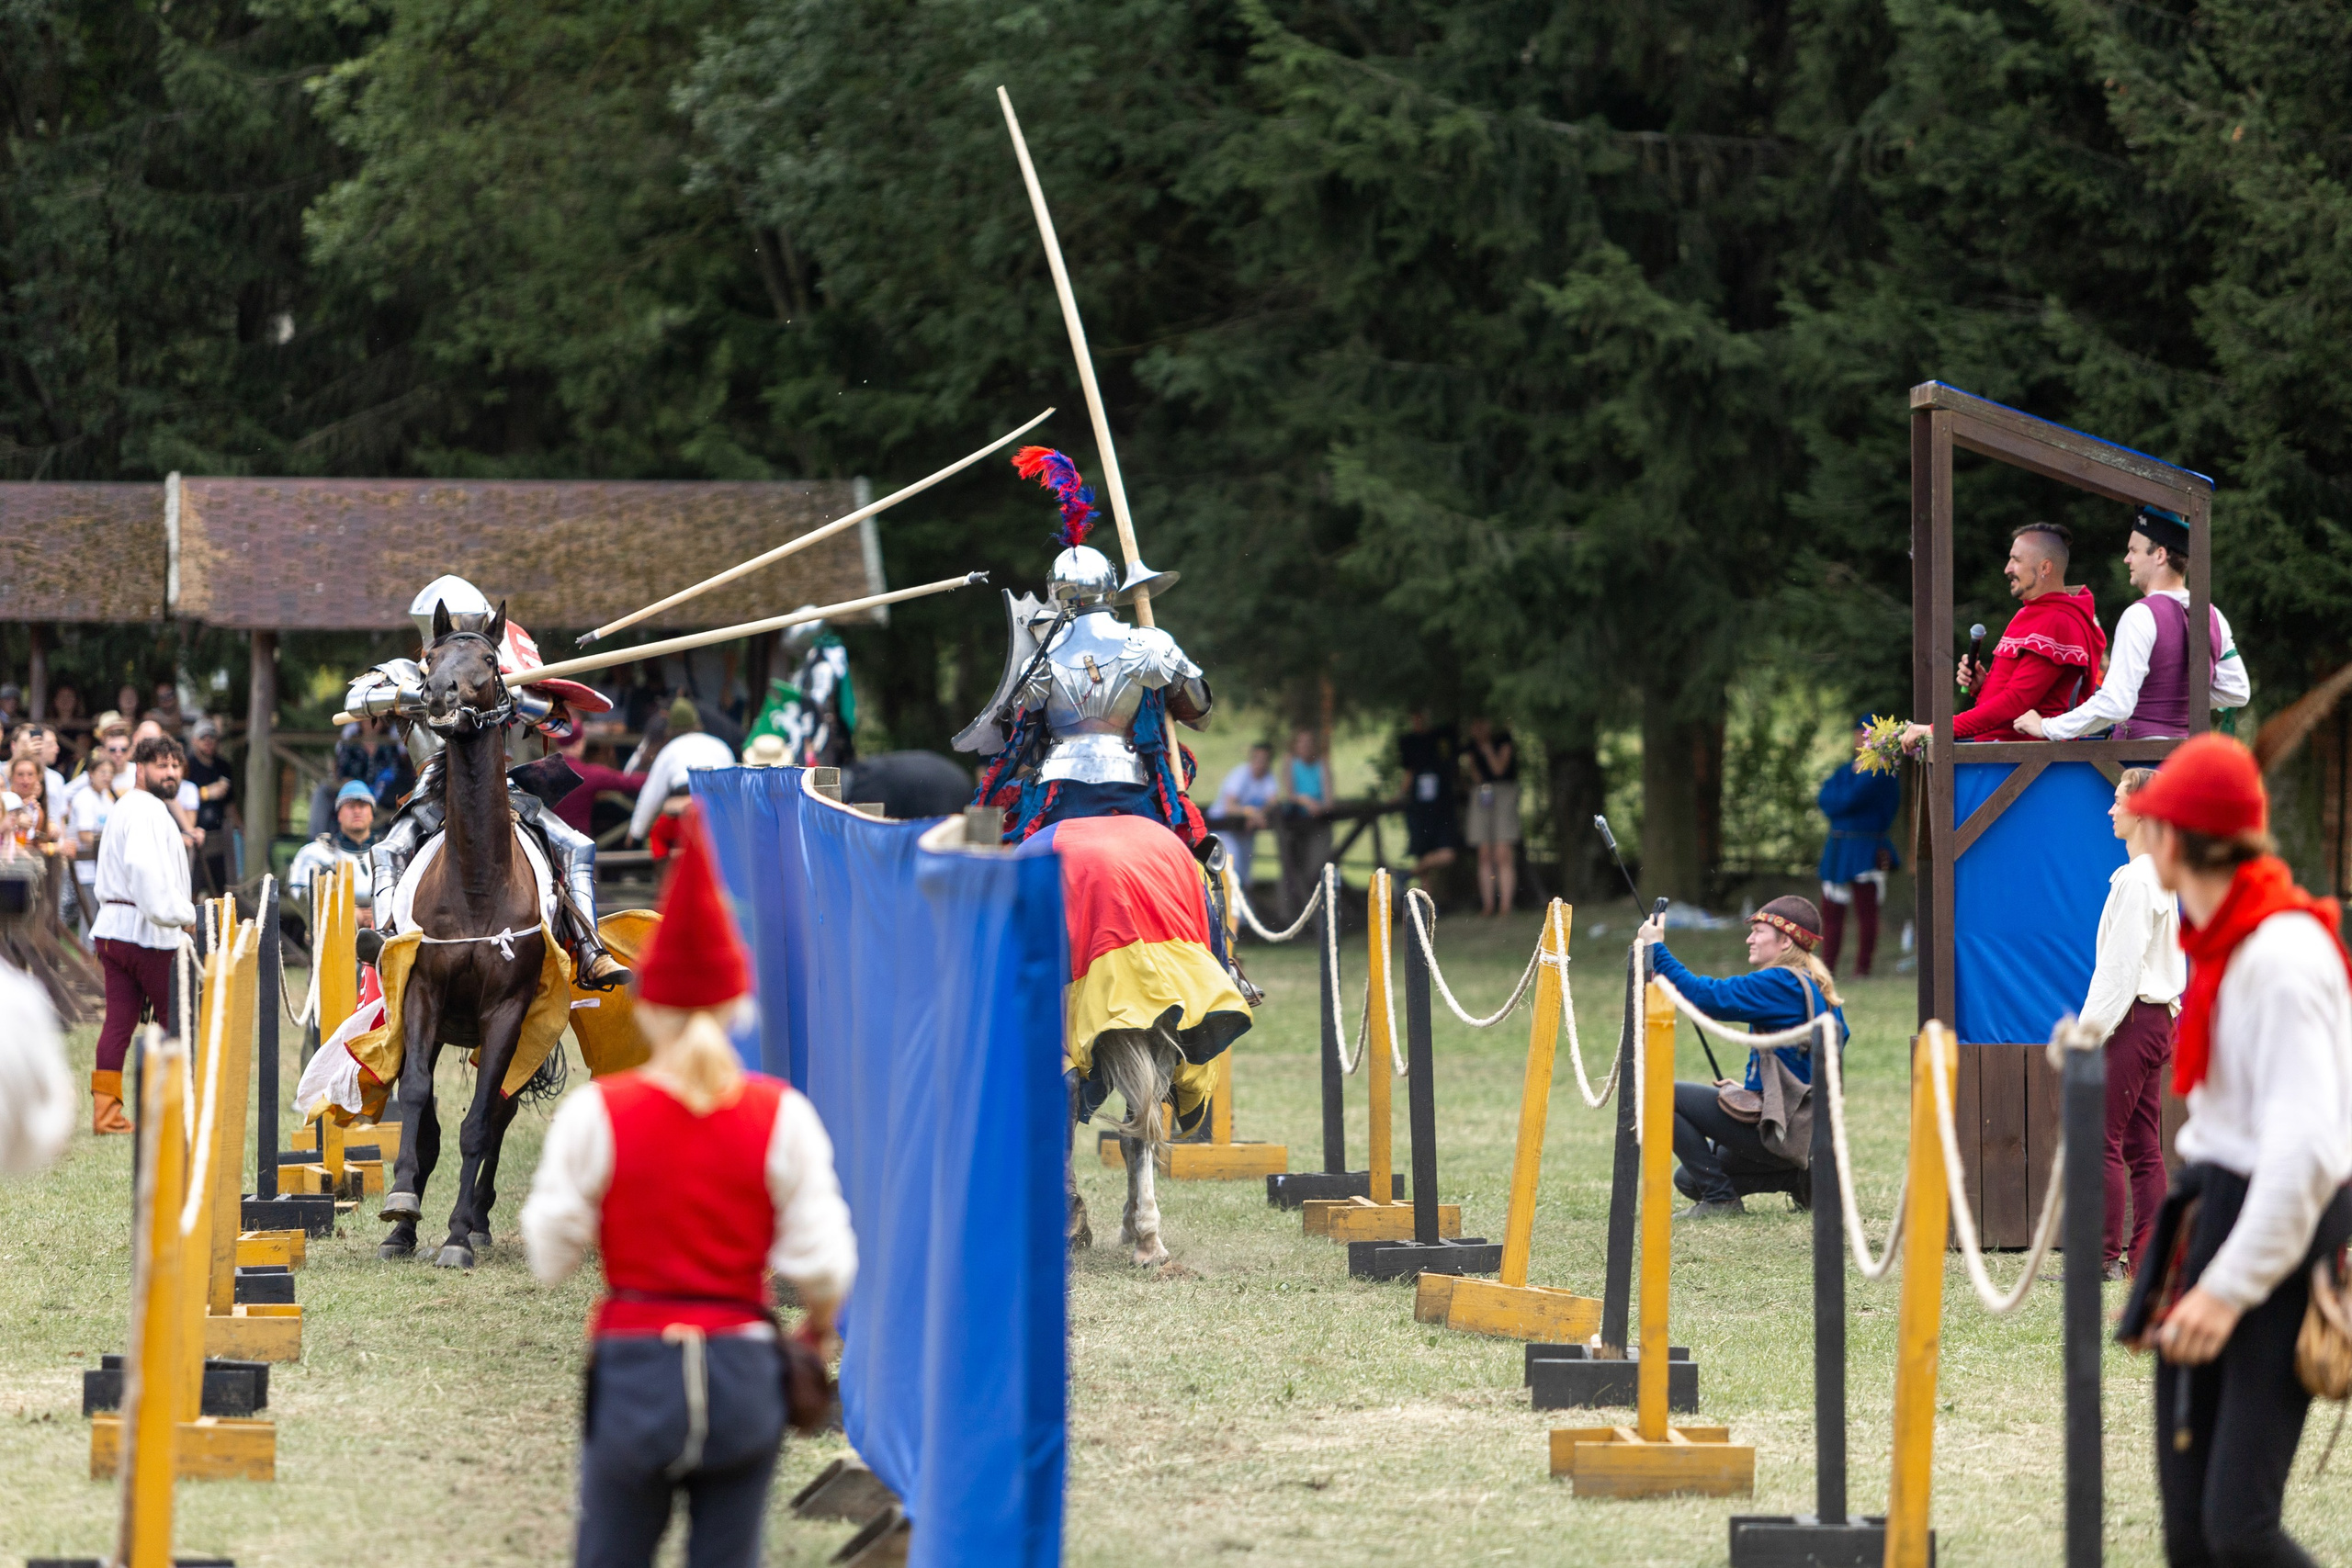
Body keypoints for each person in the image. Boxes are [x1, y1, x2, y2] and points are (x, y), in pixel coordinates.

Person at [521, 813, 855, 1568]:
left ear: (649, 1005)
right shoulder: (783, 1115)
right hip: (742, 1376)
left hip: (635, 1372)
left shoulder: (599, 1113)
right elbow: (826, 1267)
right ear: (738, 1006)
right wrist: (815, 1333)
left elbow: (548, 1252)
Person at [2116, 734, 2352, 1568]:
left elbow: (2307, 1156)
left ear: (2179, 841)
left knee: (2239, 1528)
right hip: (2214, 1212)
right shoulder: (2225, 939)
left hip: (2275, 1238)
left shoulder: (2282, 957)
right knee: (2190, 1534)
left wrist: (2225, 1289)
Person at [345, 576, 631, 989]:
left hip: (504, 786)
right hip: (434, 789)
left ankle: (589, 950)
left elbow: (560, 722)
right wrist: (414, 696)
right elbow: (356, 700)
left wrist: (516, 698)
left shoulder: (501, 670)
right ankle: (391, 938)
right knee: (389, 849)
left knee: (576, 845)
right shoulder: (405, 672)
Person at [962, 446, 1211, 845]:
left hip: (1061, 791)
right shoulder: (1147, 642)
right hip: (1132, 786)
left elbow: (1018, 731)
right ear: (1112, 589)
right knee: (1187, 847)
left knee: (1013, 854)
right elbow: (1199, 711)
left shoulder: (1041, 655)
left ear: (1054, 593)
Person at [1637, 895, 1848, 1218]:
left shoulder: (1781, 981)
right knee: (1689, 1180)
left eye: (1759, 931)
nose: (1749, 939)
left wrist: (1656, 949)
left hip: (1782, 1131)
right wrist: (1759, 1092)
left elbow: (1705, 997)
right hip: (1804, 1131)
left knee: (1659, 1094)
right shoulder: (1815, 984)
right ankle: (1800, 1177)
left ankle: (1721, 1200)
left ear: (1785, 941)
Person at [2017, 505, 2251, 741]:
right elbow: (2236, 690)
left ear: (2159, 555)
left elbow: (2116, 704)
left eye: (2133, 550)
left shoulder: (2140, 615)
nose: (2126, 558)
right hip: (2187, 762)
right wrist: (2171, 698)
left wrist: (2047, 727)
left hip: (2138, 763)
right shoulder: (2214, 615)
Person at [2078, 767, 2182, 1281]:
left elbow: (2120, 968)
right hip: (2152, 1019)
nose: (2111, 808)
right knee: (2142, 1144)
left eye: (2118, 800)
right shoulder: (2152, 873)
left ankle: (2101, 1260)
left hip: (2133, 1019)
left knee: (2101, 1138)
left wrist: (2088, 1032)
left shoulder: (2142, 878)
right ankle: (2148, 1259)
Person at [1901, 524, 2105, 749]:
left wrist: (1937, 730)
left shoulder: (2056, 620)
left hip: (2024, 765)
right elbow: (2022, 697)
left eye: (2016, 560)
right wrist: (1983, 685)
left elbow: (2016, 703)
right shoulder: (2034, 612)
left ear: (2045, 567)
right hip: (2006, 758)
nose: (2007, 568)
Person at [88, 735, 199, 1135]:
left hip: (115, 931)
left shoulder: (128, 806)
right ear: (140, 768)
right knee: (179, 1018)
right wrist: (180, 915)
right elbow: (143, 868)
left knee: (119, 1021)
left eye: (175, 766)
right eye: (161, 765)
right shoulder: (146, 809)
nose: (170, 773)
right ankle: (178, 1107)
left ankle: (107, 1114)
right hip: (146, 931)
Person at [1816, 716, 1903, 976]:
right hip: (1838, 848)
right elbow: (1825, 798)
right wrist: (1842, 800)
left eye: (1866, 734)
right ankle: (1826, 967)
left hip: (1866, 846)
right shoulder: (1845, 770)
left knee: (1867, 911)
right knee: (1831, 910)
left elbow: (1849, 799)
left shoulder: (1882, 772)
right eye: (1858, 733)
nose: (1861, 739)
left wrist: (1842, 801)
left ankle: (1862, 969)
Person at [628, 699, 737, 845]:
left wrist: (636, 833)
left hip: (683, 818)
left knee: (658, 837)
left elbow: (651, 794)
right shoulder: (721, 746)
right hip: (718, 817)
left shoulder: (668, 751)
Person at [288, 780, 381, 922]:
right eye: (350, 806)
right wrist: (345, 913)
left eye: (362, 806)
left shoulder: (388, 851)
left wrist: (382, 914)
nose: (357, 811)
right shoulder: (316, 852)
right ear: (339, 815)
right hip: (334, 935)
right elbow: (299, 893)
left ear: (371, 814)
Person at [1275, 728, 1335, 923]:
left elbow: (1328, 800)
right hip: (1294, 825)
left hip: (1318, 825)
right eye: (1301, 744)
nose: (1305, 748)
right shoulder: (1290, 763)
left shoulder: (1322, 764)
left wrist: (1319, 807)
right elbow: (1289, 793)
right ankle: (1288, 916)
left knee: (1315, 868)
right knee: (1290, 867)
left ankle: (1318, 916)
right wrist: (1306, 801)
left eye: (1309, 744)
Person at [1396, 711, 1461, 886]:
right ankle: (1427, 904)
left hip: (1442, 806)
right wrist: (1399, 795)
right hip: (1420, 808)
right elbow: (1408, 772)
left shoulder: (1443, 737)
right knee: (1423, 853)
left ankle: (1407, 874)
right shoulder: (1409, 742)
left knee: (1447, 854)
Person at [1464, 717, 1520, 918]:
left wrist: (1487, 751)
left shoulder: (1503, 740)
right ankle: (1488, 905)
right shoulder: (1470, 746)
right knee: (1484, 852)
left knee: (1503, 853)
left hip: (1504, 793)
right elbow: (1476, 776)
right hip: (1482, 794)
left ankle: (1505, 906)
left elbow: (1498, 769)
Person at [1212, 741, 1281, 893]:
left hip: (1244, 831)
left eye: (1265, 760)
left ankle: (1241, 915)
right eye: (1258, 759)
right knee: (1231, 870)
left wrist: (1258, 814)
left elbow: (1273, 802)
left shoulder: (1268, 778)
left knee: (1245, 875)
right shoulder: (1240, 775)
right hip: (1224, 829)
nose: (1260, 764)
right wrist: (1251, 813)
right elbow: (1229, 806)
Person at [553, 728, 647, 837]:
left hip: (544, 842)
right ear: (578, 744)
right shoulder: (588, 774)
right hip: (577, 841)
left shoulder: (542, 771)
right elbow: (627, 782)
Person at [182, 717, 238, 894]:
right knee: (193, 886)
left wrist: (241, 828)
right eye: (203, 737)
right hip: (195, 835)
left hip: (219, 834)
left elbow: (229, 803)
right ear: (194, 741)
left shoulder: (223, 766)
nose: (208, 741)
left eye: (211, 737)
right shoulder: (186, 766)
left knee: (221, 888)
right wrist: (207, 793)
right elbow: (179, 798)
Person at [68, 755, 117, 938]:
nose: (107, 777)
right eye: (103, 772)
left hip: (102, 868)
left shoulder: (106, 798)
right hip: (86, 868)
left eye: (111, 773)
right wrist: (111, 841)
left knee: (101, 917)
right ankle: (86, 960)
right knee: (89, 918)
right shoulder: (84, 798)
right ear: (91, 774)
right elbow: (85, 835)